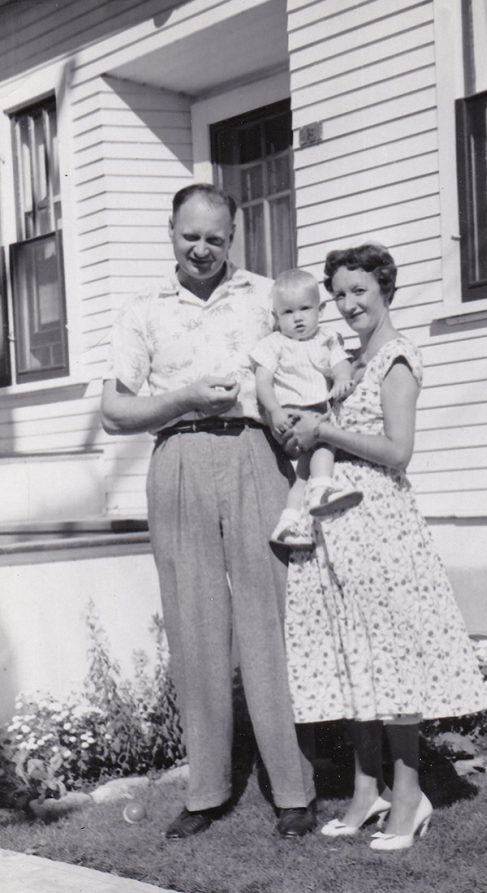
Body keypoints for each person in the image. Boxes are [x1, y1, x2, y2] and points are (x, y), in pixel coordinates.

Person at [100, 183, 316, 840]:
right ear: (170, 232)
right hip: (180, 457)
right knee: (195, 624)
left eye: (215, 238)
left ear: (233, 238)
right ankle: (207, 789)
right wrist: (187, 397)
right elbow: (114, 411)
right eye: (190, 235)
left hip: (256, 455)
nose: (202, 249)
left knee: (268, 617)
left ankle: (293, 787)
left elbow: (308, 362)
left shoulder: (261, 296)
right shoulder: (142, 311)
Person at [282, 244, 487, 852]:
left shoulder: (397, 358)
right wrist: (307, 431)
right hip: (338, 527)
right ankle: (365, 788)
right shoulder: (348, 360)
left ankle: (409, 794)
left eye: (359, 293)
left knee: (392, 660)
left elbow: (398, 450)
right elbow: (329, 438)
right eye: (339, 295)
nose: (347, 306)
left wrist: (324, 429)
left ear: (385, 290)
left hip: (381, 525)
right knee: (355, 657)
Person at [251, 268, 362, 549]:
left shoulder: (326, 338)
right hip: (290, 412)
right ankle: (322, 490)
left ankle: (287, 523)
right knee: (325, 442)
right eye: (288, 312)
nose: (298, 318)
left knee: (303, 471)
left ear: (320, 310)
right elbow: (262, 382)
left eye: (305, 309)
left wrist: (342, 378)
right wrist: (274, 410)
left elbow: (340, 363)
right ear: (276, 317)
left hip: (316, 407)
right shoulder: (274, 344)